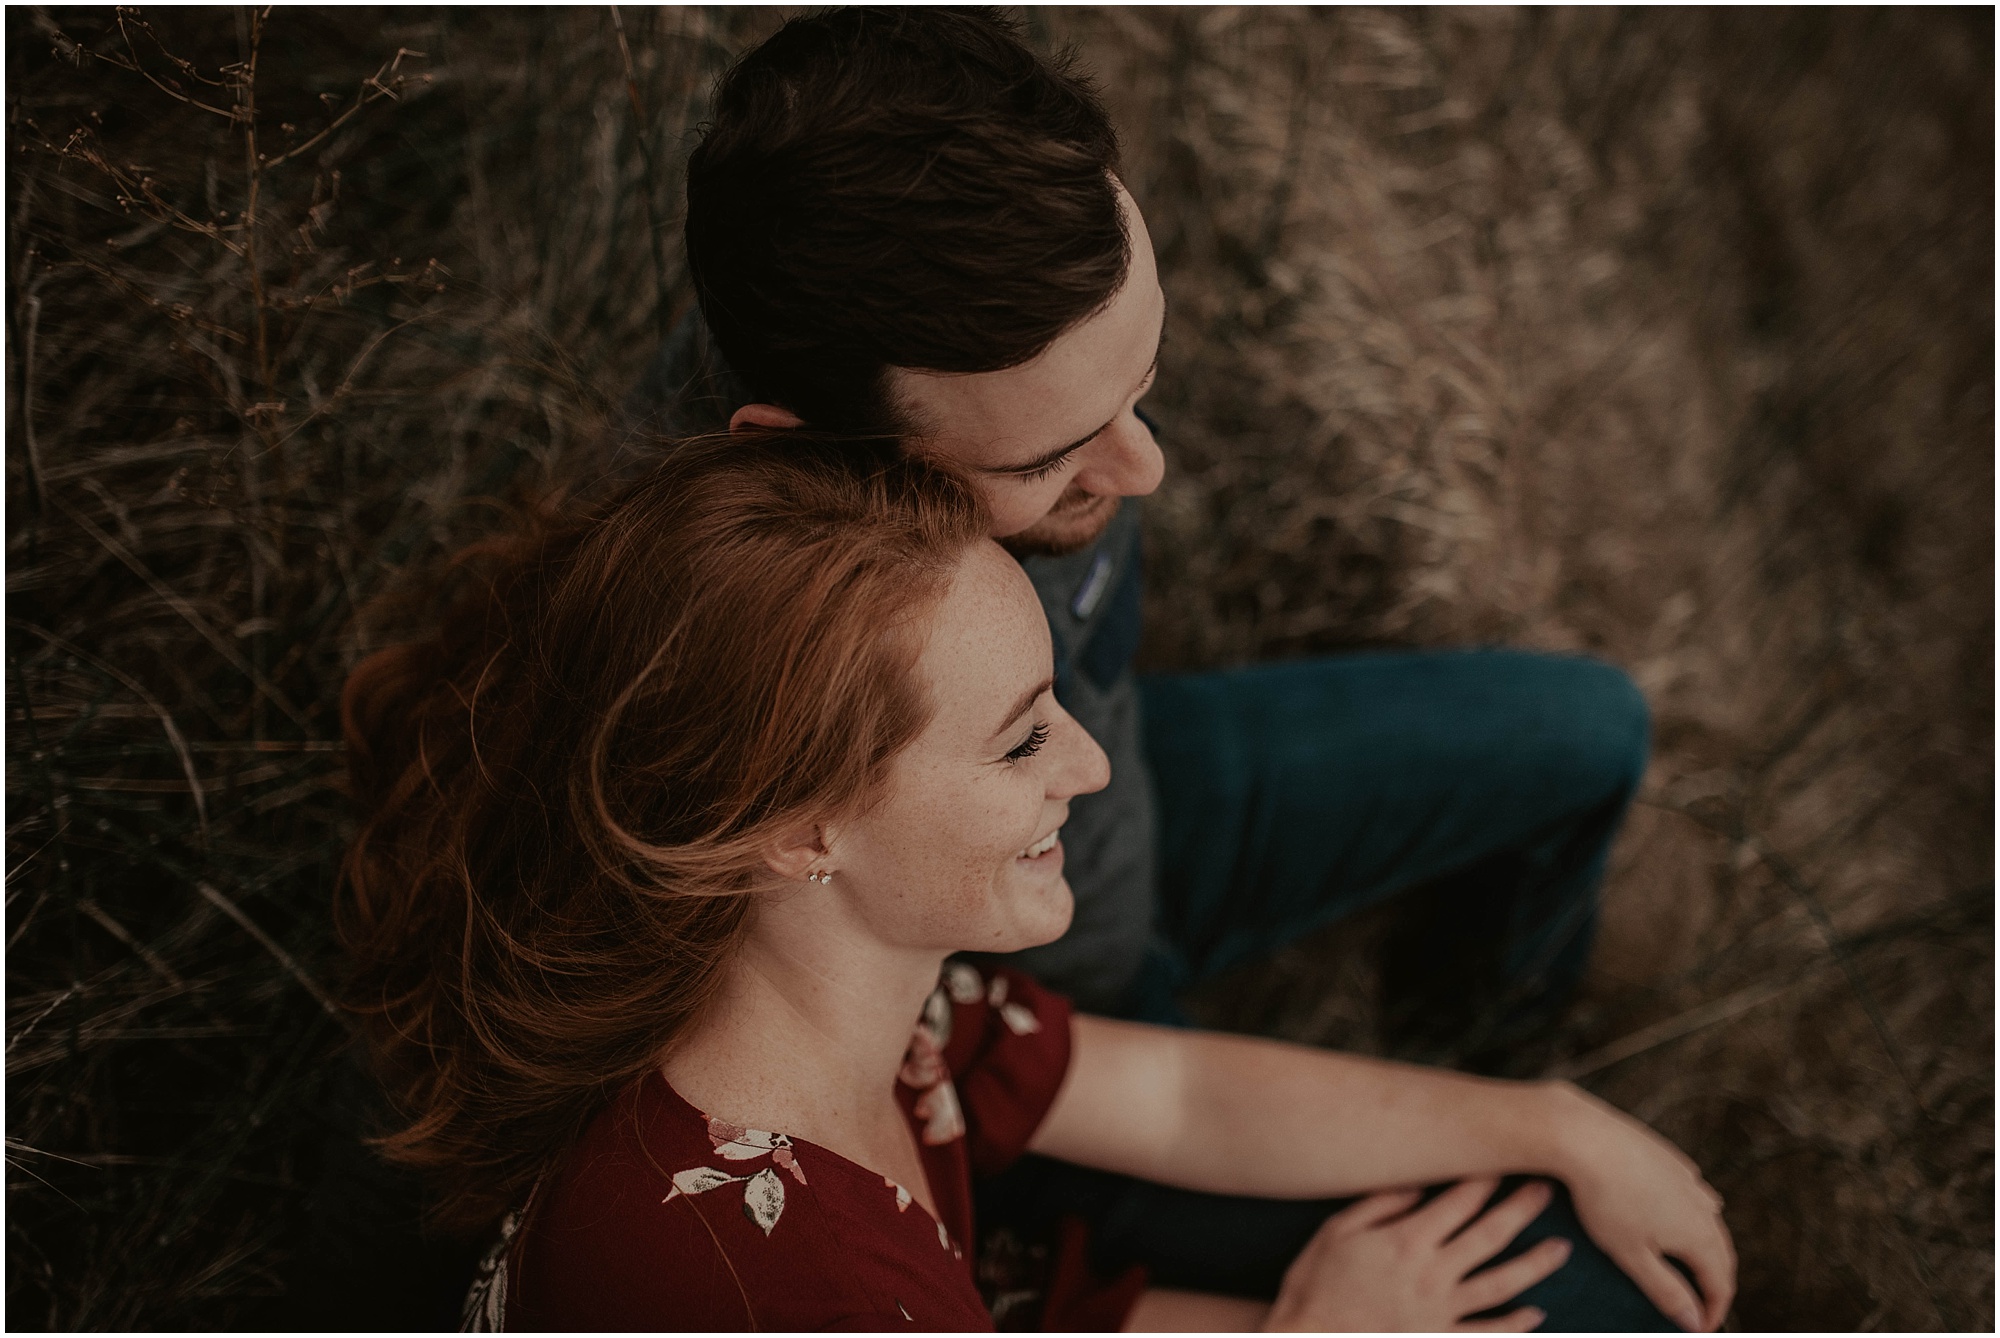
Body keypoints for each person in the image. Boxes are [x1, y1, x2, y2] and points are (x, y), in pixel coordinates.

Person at [615, 7, 1681, 1323]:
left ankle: (1469, 1044)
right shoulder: (720, 647)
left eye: (1140, 383)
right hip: (1007, 968)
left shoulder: (994, 337)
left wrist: (1520, 1107)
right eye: (1047, 459)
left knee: (1585, 733)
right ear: (804, 447)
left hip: (1110, 838)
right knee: (1585, 1285)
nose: (1141, 470)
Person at [336, 435, 1733, 1331]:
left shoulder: (843, 998)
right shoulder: (769, 1284)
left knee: (1561, 1281)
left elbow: (1171, 1094)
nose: (1090, 766)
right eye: (1020, 738)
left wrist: (1556, 1121)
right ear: (793, 828)